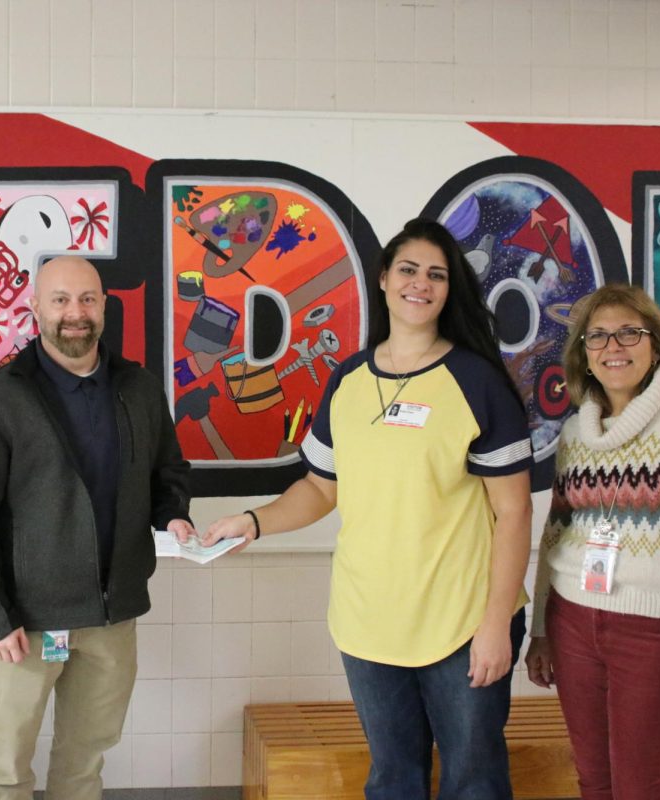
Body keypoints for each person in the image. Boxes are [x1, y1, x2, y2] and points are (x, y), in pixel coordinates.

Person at [202, 218, 533, 799]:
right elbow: (321, 488)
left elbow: (514, 514)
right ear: (383, 279)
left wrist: (495, 625)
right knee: (392, 779)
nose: (420, 284)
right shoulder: (347, 379)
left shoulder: (477, 382)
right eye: (408, 270)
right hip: (368, 625)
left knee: (474, 782)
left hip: (461, 623)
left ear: (450, 289)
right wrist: (253, 522)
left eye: (436, 274)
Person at [0, 255, 193, 800]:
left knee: (84, 762)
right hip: (27, 625)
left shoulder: (139, 388)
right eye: (60, 299)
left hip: (112, 618)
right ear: (35, 307)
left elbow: (168, 471)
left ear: (104, 306)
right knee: (9, 764)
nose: (74, 313)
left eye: (87, 299)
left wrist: (173, 514)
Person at [524, 283, 660, 800]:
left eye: (629, 332)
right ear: (583, 353)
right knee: (593, 781)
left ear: (655, 344)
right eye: (598, 337)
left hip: (655, 634)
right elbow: (556, 532)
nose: (613, 347)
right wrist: (541, 629)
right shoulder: (576, 434)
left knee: (640, 787)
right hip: (573, 624)